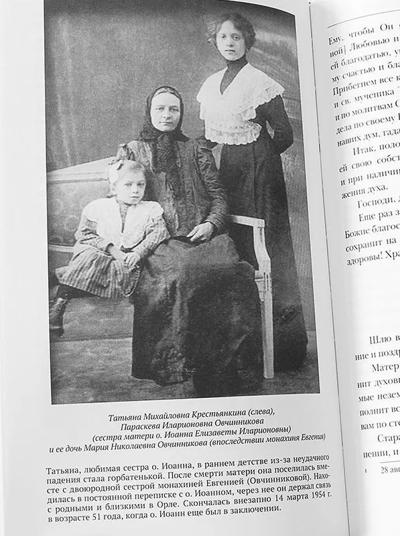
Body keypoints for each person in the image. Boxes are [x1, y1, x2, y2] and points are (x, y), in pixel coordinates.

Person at [115, 85, 262, 397]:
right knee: (186, 273)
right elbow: (121, 201)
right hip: (159, 242)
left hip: (204, 236)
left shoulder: (195, 148)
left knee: (233, 271)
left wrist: (211, 224)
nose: (167, 115)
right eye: (160, 109)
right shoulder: (132, 151)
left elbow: (218, 196)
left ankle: (226, 365)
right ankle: (190, 365)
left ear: (181, 114)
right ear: (149, 112)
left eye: (174, 109)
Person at [197, 13, 307, 371]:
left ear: (247, 41)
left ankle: (283, 349)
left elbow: (284, 133)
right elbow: (211, 136)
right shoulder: (212, 85)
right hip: (230, 170)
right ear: (215, 41)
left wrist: (262, 157)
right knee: (237, 246)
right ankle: (244, 346)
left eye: (236, 37)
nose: (230, 43)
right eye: (223, 37)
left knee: (268, 248)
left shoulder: (260, 82)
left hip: (260, 173)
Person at [49, 160, 169, 335]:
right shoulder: (99, 207)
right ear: (114, 188)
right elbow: (84, 234)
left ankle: (61, 274)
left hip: (128, 256)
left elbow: (158, 233)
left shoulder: (150, 209)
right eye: (128, 185)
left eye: (140, 185)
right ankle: (58, 307)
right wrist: (111, 249)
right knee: (89, 257)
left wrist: (138, 252)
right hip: (99, 251)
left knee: (124, 273)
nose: (135, 190)